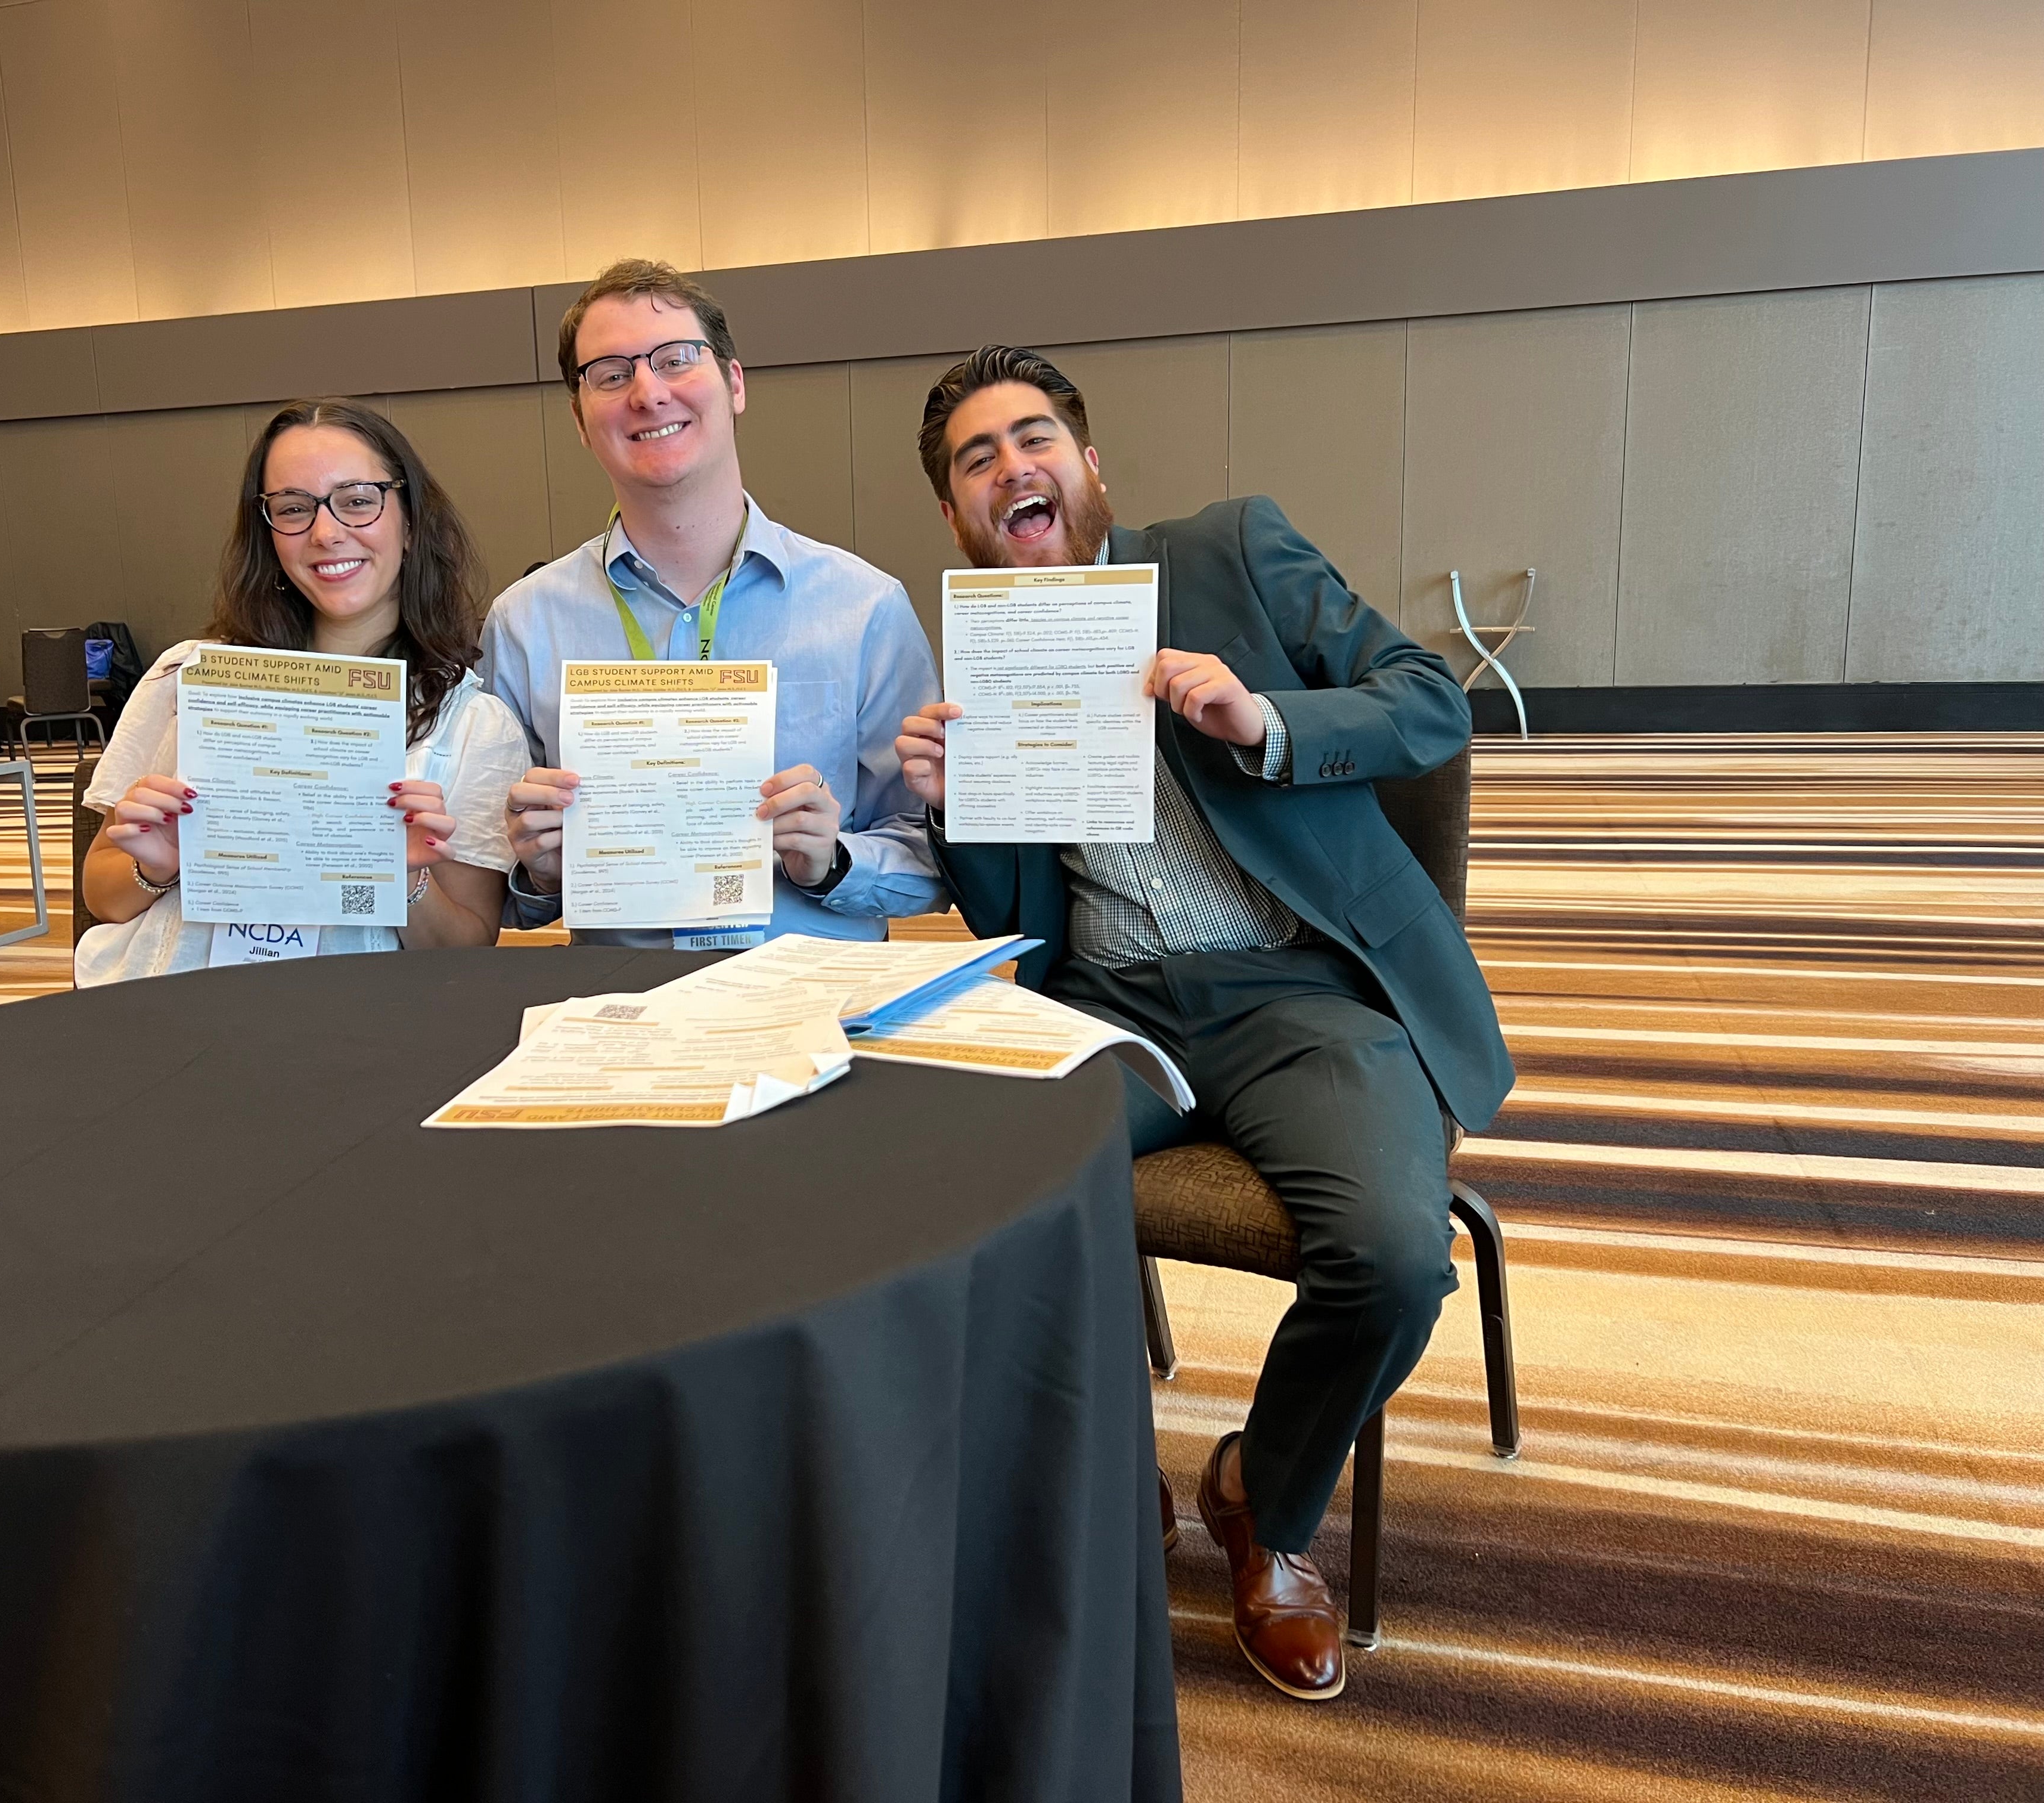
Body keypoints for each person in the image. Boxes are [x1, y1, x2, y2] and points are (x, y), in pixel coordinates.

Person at [896, 346, 1514, 1703]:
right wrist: (956, 808)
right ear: (956, 514)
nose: (1011, 469)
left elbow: (1427, 701)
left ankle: (1263, 1501)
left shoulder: (1229, 551)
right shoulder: (987, 660)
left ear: (1089, 466)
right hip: (1109, 1003)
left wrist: (1262, 719)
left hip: (1297, 991)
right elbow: (1010, 914)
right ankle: (1099, 1477)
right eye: (976, 460)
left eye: (1033, 438)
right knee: (960, 1200)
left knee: (1392, 1259)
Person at [482, 259, 946, 947]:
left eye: (675, 359)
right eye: (611, 374)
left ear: (734, 383)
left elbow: (934, 860)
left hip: (816, 1004)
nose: (648, 392)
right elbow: (490, 893)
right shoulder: (525, 625)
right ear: (580, 419)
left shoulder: (865, 609)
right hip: (621, 1006)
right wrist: (540, 871)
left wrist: (834, 862)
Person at [76, 398, 528, 984]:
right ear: (269, 535)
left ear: (412, 523)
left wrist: (406, 879)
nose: (326, 533)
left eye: (358, 501)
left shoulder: (475, 726)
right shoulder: (191, 678)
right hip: (171, 1003)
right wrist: (159, 867)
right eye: (293, 509)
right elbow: (102, 898)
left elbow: (468, 948)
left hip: (353, 1017)